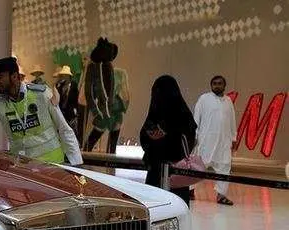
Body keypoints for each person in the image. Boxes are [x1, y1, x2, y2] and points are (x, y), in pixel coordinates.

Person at [0, 57, 83, 165]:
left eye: (0, 77)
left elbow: (64, 129)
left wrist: (77, 164)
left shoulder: (42, 94)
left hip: (52, 165)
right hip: (24, 170)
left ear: (14, 76)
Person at [139, 75, 197, 206]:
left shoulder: (183, 115)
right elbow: (144, 136)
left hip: (175, 170)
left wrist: (167, 137)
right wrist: (151, 137)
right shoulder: (155, 113)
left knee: (174, 207)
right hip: (156, 168)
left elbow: (188, 140)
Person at [192, 75, 236, 205]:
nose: (217, 85)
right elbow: (196, 118)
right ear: (211, 86)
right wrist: (194, 136)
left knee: (224, 166)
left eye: (220, 83)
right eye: (215, 83)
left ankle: (221, 195)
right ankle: (189, 190)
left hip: (224, 142)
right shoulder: (204, 99)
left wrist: (234, 138)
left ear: (224, 86)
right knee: (197, 166)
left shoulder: (228, 101)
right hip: (206, 141)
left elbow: (232, 121)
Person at [84, 38, 130, 154]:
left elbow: (109, 90)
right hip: (103, 109)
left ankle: (110, 167)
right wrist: (96, 110)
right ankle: (85, 163)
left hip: (114, 108)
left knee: (111, 144)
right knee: (92, 141)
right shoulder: (93, 67)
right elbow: (89, 91)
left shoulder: (109, 67)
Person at [54, 65, 80, 144]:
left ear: (69, 76)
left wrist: (76, 110)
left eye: (65, 75)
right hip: (62, 110)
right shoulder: (60, 86)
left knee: (71, 127)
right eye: (63, 75)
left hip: (71, 109)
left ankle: (73, 142)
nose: (64, 77)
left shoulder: (74, 85)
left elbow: (76, 98)